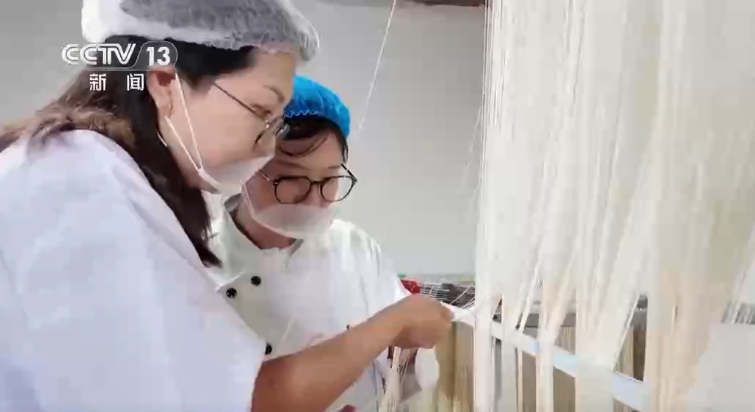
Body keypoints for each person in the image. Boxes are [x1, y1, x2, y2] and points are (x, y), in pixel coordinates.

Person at [0, 2, 450, 412]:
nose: (267, 145)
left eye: (329, 180)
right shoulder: (82, 186)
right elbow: (236, 399)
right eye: (261, 111)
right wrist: (390, 324)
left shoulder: (91, 176)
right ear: (164, 80)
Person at [208, 76, 442, 412]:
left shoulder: (354, 248)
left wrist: (409, 347)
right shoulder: (196, 260)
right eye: (291, 178)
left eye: (330, 178)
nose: (314, 198)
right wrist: (387, 326)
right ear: (244, 167)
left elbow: (400, 369)